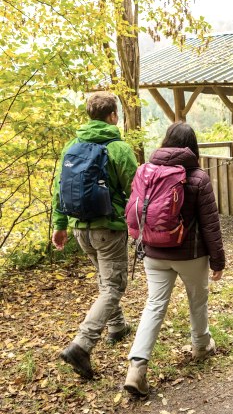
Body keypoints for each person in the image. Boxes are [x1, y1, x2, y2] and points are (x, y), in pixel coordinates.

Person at [124, 122, 225, 397]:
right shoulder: (198, 177)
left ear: (166, 141)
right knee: (197, 300)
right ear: (193, 146)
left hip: (153, 252)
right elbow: (210, 224)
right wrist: (218, 261)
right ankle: (201, 345)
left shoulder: (147, 170)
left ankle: (137, 367)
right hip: (190, 254)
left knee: (154, 305)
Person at [52, 92, 138, 379]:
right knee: (113, 287)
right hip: (108, 229)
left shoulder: (71, 146)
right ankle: (82, 344)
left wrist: (60, 225)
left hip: (80, 229)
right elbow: (135, 190)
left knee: (105, 282)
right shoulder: (118, 148)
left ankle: (117, 327)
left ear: (90, 115)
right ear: (113, 116)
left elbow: (59, 188)